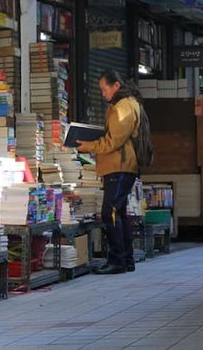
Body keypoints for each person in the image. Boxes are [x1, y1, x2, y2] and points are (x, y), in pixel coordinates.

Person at [77, 70, 142, 275]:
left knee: (110, 213)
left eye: (105, 89)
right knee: (119, 213)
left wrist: (89, 146)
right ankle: (126, 260)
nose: (103, 94)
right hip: (119, 165)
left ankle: (118, 261)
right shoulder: (125, 104)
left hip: (120, 165)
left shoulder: (123, 107)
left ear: (116, 86)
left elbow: (114, 141)